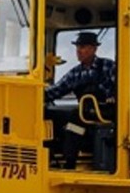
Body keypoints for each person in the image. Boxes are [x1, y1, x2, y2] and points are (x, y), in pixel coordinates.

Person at [45, 31, 116, 169]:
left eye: (83, 47)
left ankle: (70, 162)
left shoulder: (108, 66)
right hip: (85, 112)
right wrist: (37, 95)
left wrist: (113, 97)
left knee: (74, 117)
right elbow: (57, 89)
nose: (78, 51)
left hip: (106, 110)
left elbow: (123, 87)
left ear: (94, 49)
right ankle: (50, 157)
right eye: (77, 47)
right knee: (51, 114)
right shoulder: (76, 72)